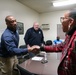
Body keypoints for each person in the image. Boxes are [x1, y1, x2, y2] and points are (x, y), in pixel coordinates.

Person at [35, 9, 76, 75]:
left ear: (71, 21)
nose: (61, 22)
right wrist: (41, 48)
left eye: (63, 19)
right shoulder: (69, 35)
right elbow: (61, 46)